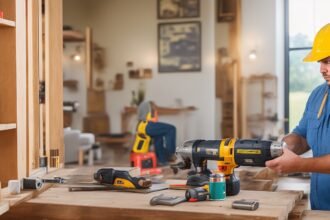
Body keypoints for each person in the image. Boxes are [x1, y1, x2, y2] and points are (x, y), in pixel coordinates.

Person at [266, 23, 330, 210]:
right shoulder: (319, 94)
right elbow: (302, 137)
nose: (321, 69)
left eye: (328, 61)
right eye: (320, 61)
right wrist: (279, 149)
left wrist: (299, 164)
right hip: (321, 207)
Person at [137, 101, 177, 166]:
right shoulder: (146, 106)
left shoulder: (147, 109)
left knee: (159, 137)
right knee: (171, 129)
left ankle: (162, 160)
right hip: (146, 126)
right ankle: (170, 154)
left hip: (144, 126)